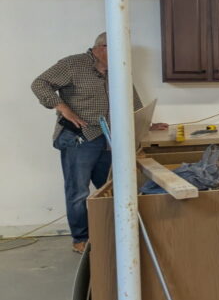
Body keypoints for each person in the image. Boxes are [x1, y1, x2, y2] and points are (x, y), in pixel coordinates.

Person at [31, 33, 165, 254]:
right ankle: (81, 239)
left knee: (111, 188)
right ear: (102, 48)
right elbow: (40, 83)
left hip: (110, 139)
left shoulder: (118, 69)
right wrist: (63, 108)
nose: (123, 57)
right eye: (119, 51)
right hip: (80, 138)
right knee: (78, 192)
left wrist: (145, 122)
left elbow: (131, 100)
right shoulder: (73, 64)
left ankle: (112, 232)